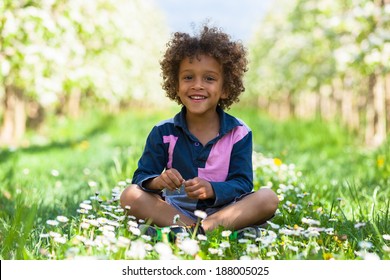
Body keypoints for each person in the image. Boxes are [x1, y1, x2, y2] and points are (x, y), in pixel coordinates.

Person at [120, 25, 279, 240]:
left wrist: (213, 189)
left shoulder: (239, 133)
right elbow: (142, 176)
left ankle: (192, 232)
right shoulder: (163, 132)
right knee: (130, 195)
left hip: (225, 211)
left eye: (209, 79)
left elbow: (242, 183)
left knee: (268, 198)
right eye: (188, 77)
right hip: (175, 210)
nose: (197, 85)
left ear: (225, 88)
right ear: (175, 85)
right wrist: (159, 181)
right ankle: (200, 230)